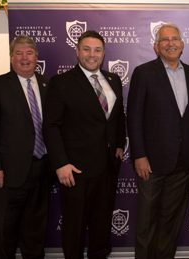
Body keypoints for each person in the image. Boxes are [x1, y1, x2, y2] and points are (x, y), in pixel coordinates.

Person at [43, 30, 126, 259]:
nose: (92, 55)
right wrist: (61, 164)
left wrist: (119, 144)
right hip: (75, 170)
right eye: (87, 49)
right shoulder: (61, 83)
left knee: (101, 224)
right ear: (77, 51)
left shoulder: (113, 80)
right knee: (74, 227)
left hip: (107, 169)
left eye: (97, 50)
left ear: (104, 53)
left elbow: (118, 117)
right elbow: (51, 126)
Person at [127, 23, 189, 259]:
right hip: (151, 164)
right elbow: (134, 117)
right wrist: (139, 155)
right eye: (165, 40)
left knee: (171, 223)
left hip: (183, 164)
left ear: (182, 44)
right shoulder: (144, 72)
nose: (171, 43)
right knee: (147, 223)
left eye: (175, 39)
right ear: (156, 46)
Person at [0, 35, 50, 258]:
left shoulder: (48, 85)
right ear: (11, 58)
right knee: (4, 230)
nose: (24, 58)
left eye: (29, 53)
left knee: (35, 231)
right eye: (19, 53)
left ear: (37, 57)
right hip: (7, 173)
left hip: (41, 170)